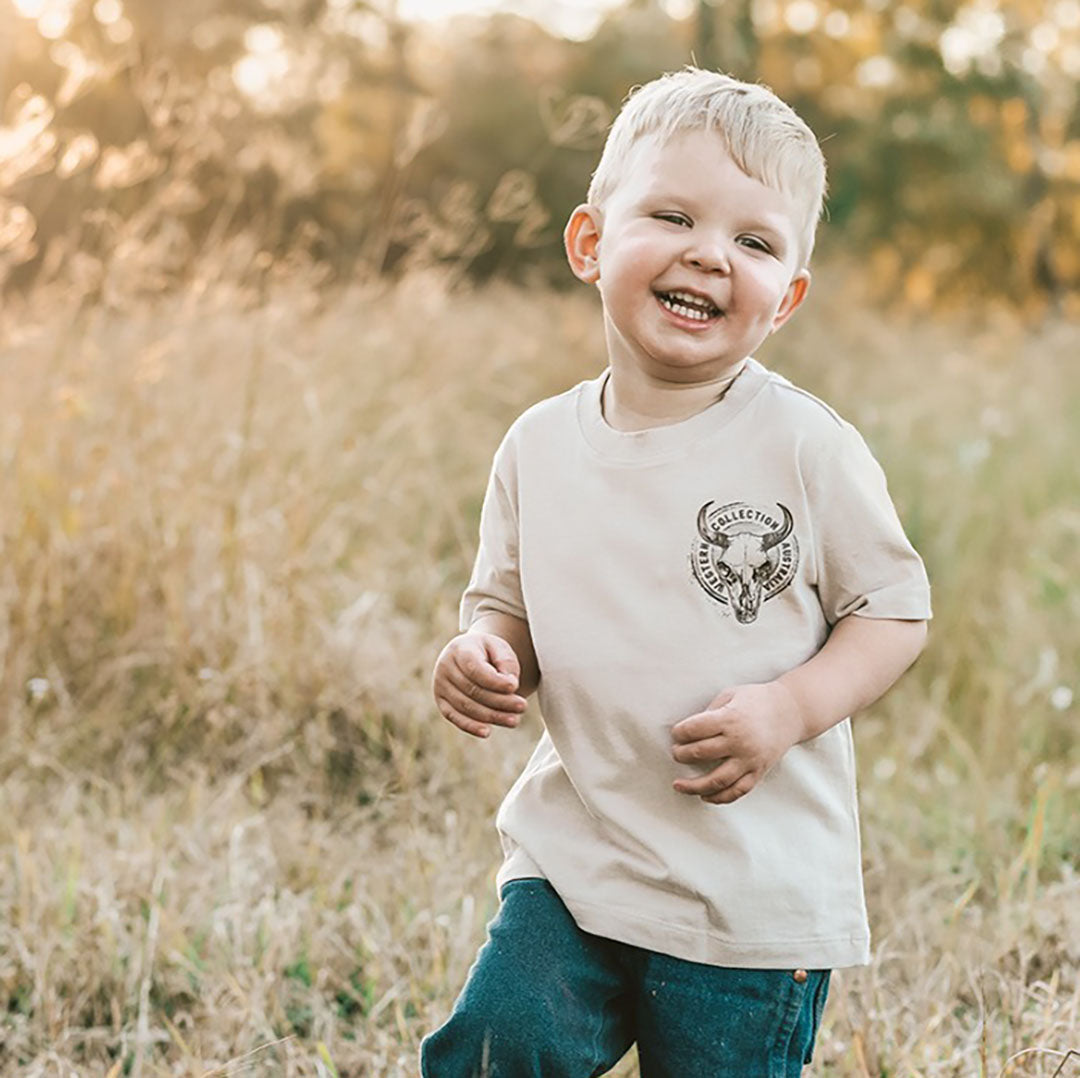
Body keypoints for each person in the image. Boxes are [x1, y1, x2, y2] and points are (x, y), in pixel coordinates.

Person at [422, 67, 931, 1078]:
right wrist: (483, 652)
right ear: (590, 242)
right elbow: (504, 604)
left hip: (748, 893)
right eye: (672, 214)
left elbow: (893, 612)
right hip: (577, 860)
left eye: (753, 240)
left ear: (784, 297)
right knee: (492, 1051)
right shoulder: (537, 446)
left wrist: (789, 708)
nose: (710, 252)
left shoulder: (802, 446)